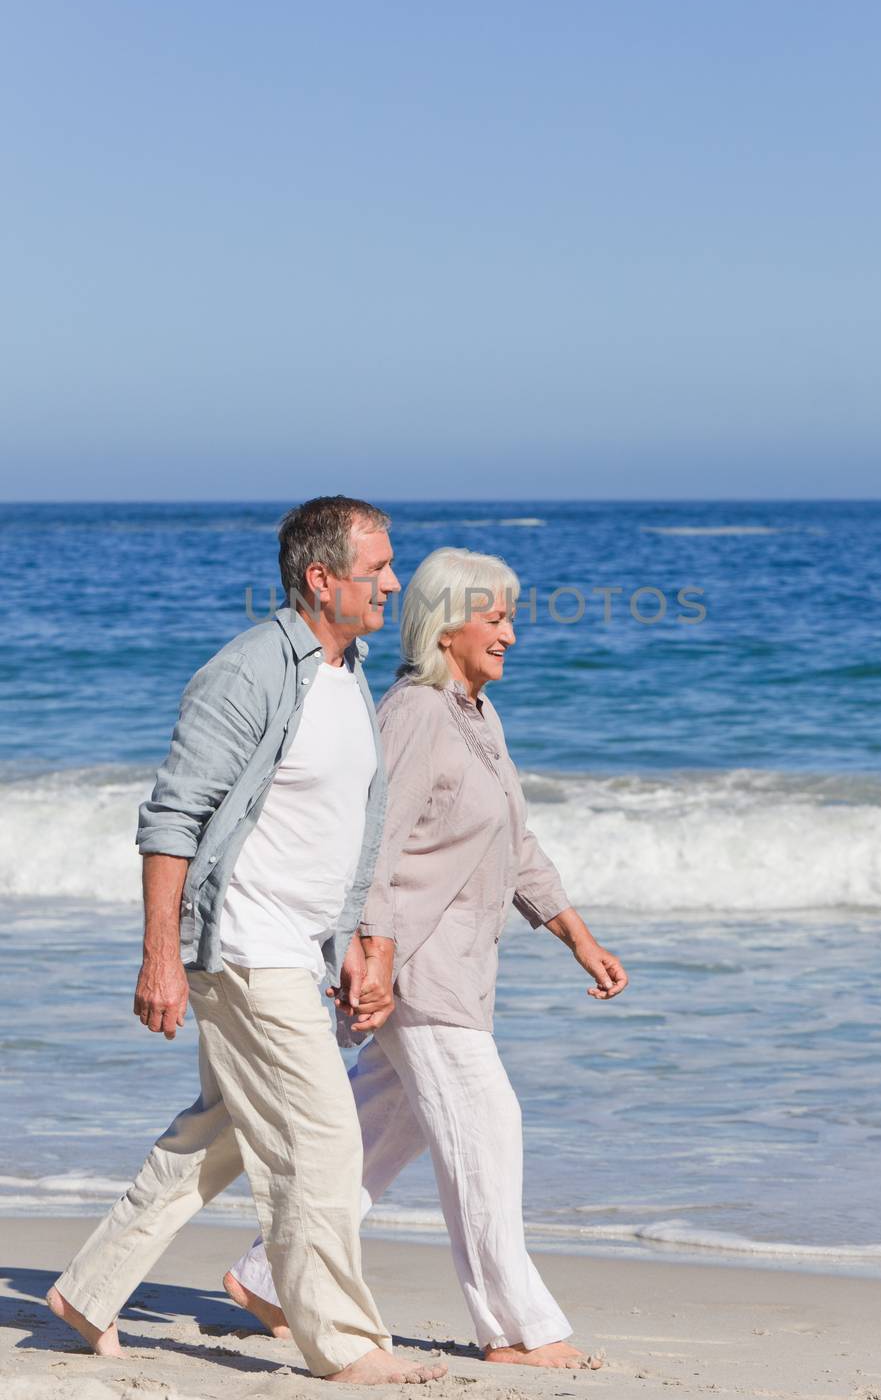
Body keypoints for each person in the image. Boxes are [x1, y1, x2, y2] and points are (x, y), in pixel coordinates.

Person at [47, 495, 447, 1386]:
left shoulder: (346, 672)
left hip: (296, 947)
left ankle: (88, 1290)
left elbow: (338, 826)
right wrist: (160, 955)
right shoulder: (251, 670)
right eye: (376, 567)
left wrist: (347, 938)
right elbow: (172, 819)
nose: (393, 581)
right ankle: (344, 1343)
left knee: (220, 1133)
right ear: (320, 578)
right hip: (242, 945)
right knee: (323, 1142)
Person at [225, 546, 628, 1370]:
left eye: (514, 615)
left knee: (381, 1128)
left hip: (461, 964)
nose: (512, 633)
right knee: (487, 1124)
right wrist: (368, 954)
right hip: (414, 967)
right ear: (448, 628)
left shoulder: (476, 715)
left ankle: (270, 1274)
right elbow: (372, 844)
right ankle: (516, 1327)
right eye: (499, 616)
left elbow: (517, 848)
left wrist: (579, 938)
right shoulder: (414, 713)